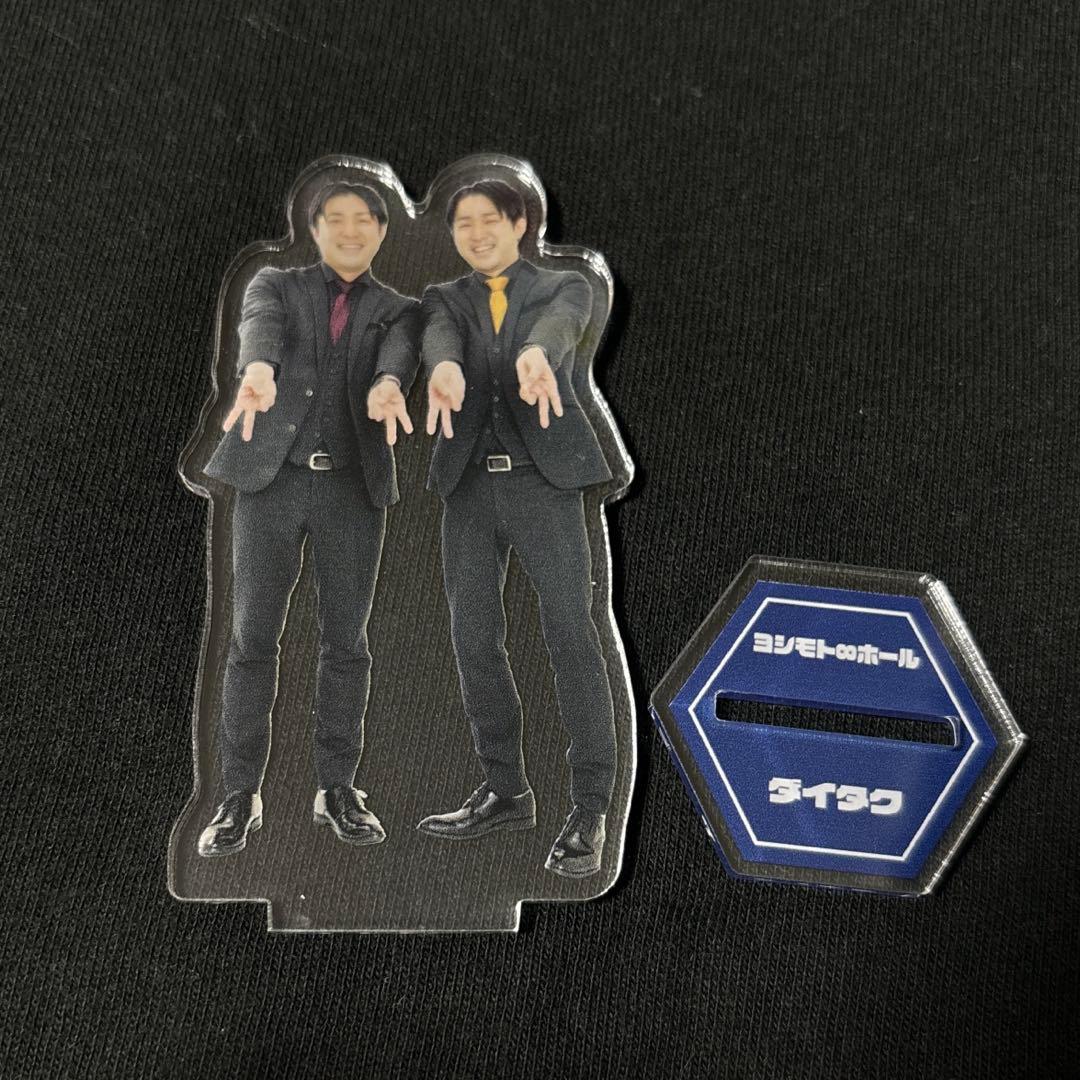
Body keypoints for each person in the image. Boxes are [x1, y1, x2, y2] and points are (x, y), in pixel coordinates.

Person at [196, 181, 418, 857]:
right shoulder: (276, 283)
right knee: (251, 639)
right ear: (315, 229)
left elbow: (400, 352)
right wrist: (258, 371)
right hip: (272, 484)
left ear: (381, 231)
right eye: (336, 220)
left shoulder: (398, 308)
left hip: (351, 491)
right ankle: (239, 795)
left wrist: (388, 386)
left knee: (346, 642)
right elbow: (259, 325)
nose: (350, 232)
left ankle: (337, 789)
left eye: (364, 221)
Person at [415, 179, 617, 878]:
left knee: (570, 631)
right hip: (469, 487)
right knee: (473, 636)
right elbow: (438, 335)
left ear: (520, 222)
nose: (476, 234)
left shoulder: (564, 286)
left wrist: (536, 355)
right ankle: (505, 789)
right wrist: (444, 367)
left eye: (489, 221)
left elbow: (560, 325)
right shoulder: (445, 298)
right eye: (463, 224)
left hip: (542, 484)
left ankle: (591, 806)